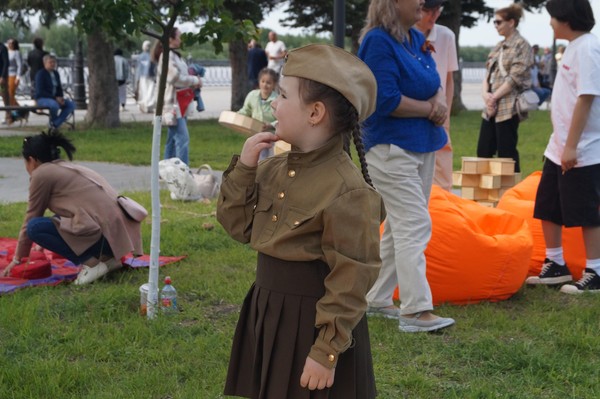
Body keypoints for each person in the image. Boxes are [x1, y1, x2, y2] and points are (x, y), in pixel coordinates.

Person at [218, 44, 384, 398]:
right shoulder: (273, 169)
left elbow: (352, 278)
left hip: (313, 324)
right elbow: (238, 227)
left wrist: (326, 350)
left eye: (282, 95)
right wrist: (245, 170)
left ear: (315, 113)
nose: (273, 104)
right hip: (269, 310)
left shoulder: (348, 191)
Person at [357, 0, 455, 333]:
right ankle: (415, 311)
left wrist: (439, 100)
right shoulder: (377, 41)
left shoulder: (413, 38)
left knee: (401, 227)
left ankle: (376, 297)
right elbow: (384, 99)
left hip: (423, 147)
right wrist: (429, 109)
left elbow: (433, 79)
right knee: (414, 223)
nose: (424, 3)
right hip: (390, 149)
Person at [1, 130, 144, 285]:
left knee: (34, 227)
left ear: (31, 160)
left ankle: (92, 264)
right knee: (51, 222)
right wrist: (44, 243)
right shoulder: (66, 167)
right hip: (120, 237)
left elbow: (32, 217)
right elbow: (68, 213)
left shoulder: (41, 173)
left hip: (104, 237)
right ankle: (108, 260)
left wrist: (17, 259)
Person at [526, 0, 600, 294]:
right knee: (547, 205)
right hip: (558, 147)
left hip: (582, 147)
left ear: (566, 18)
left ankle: (595, 270)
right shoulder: (573, 46)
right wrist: (561, 145)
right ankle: (555, 264)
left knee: (585, 212)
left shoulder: (588, 48)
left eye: (552, 17)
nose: (550, 23)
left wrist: (571, 147)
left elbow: (586, 97)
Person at [477, 3, 533, 173]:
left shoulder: (522, 45)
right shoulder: (498, 46)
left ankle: (511, 193)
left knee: (506, 154)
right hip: (490, 107)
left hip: (508, 107)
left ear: (512, 22)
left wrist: (494, 97)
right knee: (483, 151)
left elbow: (515, 77)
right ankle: (484, 194)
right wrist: (486, 95)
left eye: (499, 22)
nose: (496, 25)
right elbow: (488, 74)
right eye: (494, 22)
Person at [414, 0, 458, 192]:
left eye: (437, 10)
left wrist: (445, 117)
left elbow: (448, 80)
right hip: (411, 115)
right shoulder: (399, 36)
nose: (433, 15)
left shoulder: (446, 35)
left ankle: (443, 216)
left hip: (438, 116)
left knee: (442, 177)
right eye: (428, 11)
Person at [154, 28, 201, 166]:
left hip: (181, 102)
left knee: (173, 139)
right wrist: (195, 80)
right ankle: (183, 172)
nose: (181, 39)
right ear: (170, 39)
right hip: (172, 104)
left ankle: (164, 169)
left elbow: (181, 77)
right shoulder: (166, 56)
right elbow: (175, 78)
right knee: (182, 138)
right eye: (179, 37)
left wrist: (192, 81)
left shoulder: (175, 56)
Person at [237, 67, 278, 159]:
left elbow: (282, 120)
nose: (265, 85)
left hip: (273, 136)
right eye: (263, 81)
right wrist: (237, 116)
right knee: (258, 158)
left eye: (268, 83)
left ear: (274, 84)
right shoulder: (252, 95)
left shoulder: (277, 100)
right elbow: (245, 110)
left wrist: (270, 125)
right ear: (259, 81)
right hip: (256, 134)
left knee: (272, 158)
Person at [34, 54, 75, 129]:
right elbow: (40, 91)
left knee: (71, 105)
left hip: (55, 98)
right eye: (50, 62)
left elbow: (59, 88)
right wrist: (55, 98)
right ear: (45, 63)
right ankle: (54, 124)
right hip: (43, 98)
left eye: (54, 62)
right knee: (54, 105)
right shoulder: (41, 74)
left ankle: (55, 124)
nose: (53, 64)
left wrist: (61, 98)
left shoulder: (55, 73)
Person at [135, 40, 156, 113]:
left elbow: (138, 68)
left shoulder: (140, 56)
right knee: (150, 91)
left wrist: (137, 78)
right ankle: (148, 106)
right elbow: (155, 67)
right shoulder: (152, 56)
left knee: (143, 91)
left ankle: (144, 105)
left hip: (142, 76)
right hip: (150, 76)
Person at [7, 38, 23, 109]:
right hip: (5, 75)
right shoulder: (6, 52)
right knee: (3, 91)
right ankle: (20, 109)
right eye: (9, 43)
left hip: (13, 75)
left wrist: (18, 77)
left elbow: (19, 65)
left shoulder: (16, 52)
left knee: (10, 94)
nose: (10, 44)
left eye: (11, 43)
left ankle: (11, 111)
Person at [0, 40, 9, 124]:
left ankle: (7, 115)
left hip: (1, 77)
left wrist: (3, 76)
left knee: (4, 95)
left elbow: (6, 63)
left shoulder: (2, 48)